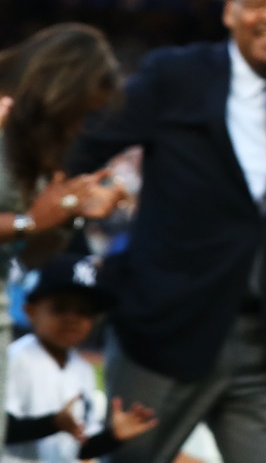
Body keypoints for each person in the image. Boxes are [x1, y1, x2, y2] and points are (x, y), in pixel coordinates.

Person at [67, 0, 266, 463]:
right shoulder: (177, 75)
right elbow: (81, 150)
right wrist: (70, 232)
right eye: (256, 3)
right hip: (164, 333)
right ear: (230, 13)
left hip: (263, 342)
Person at [0, 25, 131, 446]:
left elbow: (29, 256)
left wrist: (70, 216)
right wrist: (29, 222)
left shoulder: (37, 147)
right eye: (77, 111)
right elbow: (26, 227)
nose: (78, 127)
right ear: (55, 90)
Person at [4, 253, 158, 463]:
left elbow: (79, 448)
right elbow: (4, 428)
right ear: (30, 311)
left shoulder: (82, 369)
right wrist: (53, 423)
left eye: (84, 311)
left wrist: (113, 437)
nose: (72, 318)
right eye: (60, 307)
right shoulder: (14, 358)